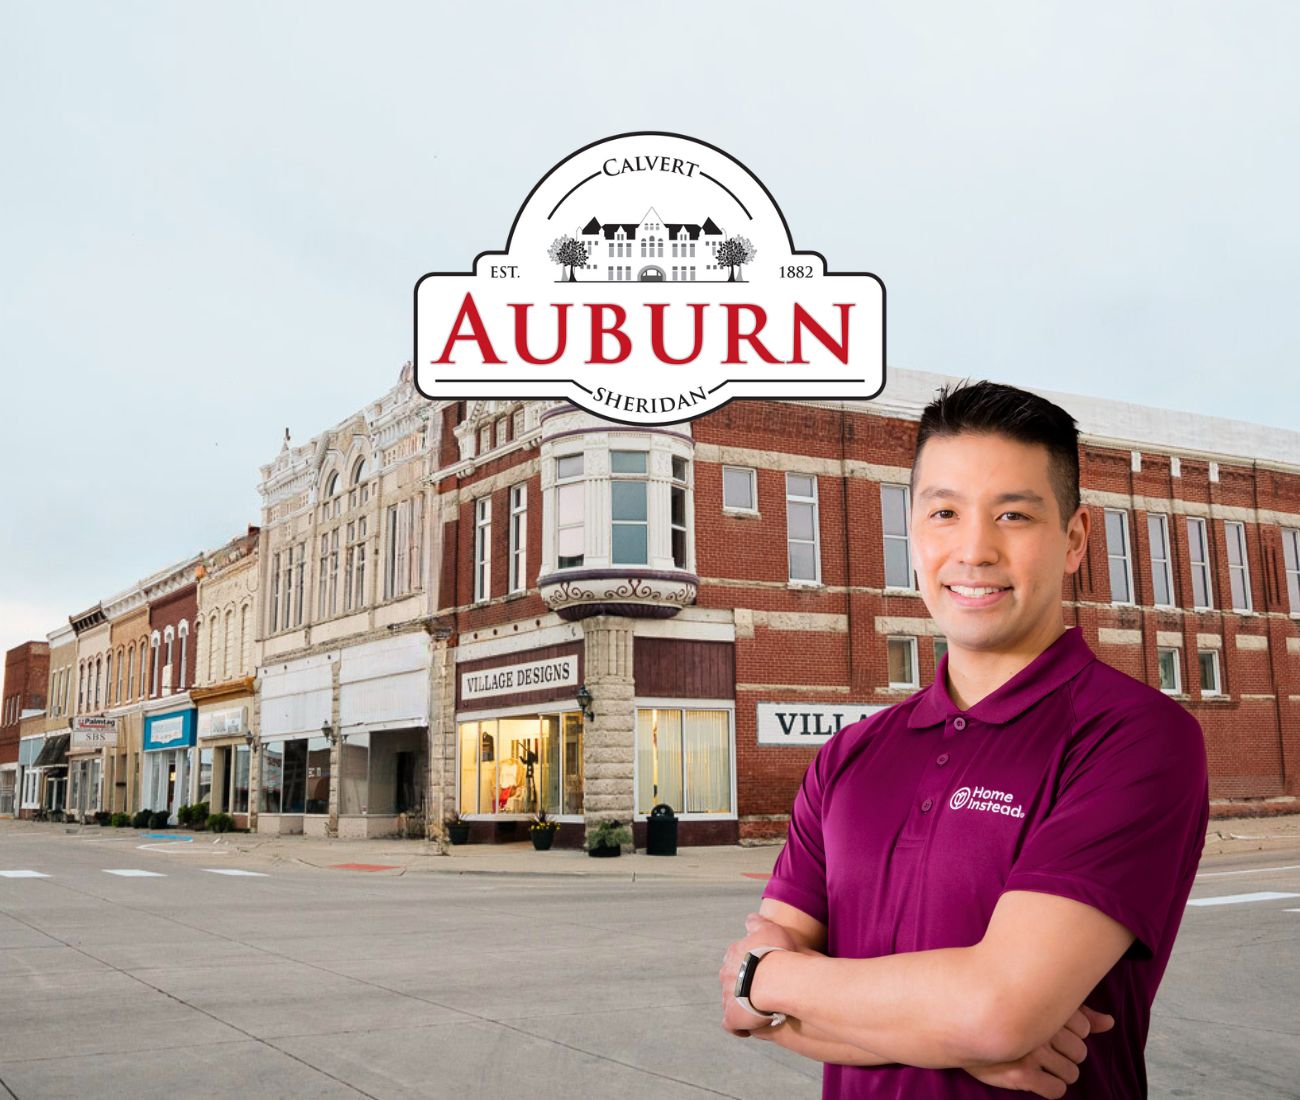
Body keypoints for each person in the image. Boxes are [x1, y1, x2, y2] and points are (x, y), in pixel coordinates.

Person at [719, 380, 1209, 1098]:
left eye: (1013, 515)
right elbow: (734, 1008)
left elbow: (994, 1011)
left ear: (1074, 541)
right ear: (914, 534)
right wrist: (949, 1031)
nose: (974, 550)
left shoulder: (1133, 737)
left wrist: (770, 979)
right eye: (944, 512)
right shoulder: (849, 758)